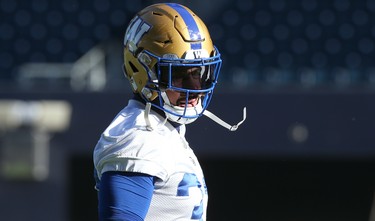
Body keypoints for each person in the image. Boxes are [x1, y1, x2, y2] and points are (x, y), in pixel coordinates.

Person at [93, 3, 246, 221]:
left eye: (201, 73)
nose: (195, 87)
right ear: (142, 71)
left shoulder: (164, 131)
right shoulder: (138, 138)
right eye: (180, 74)